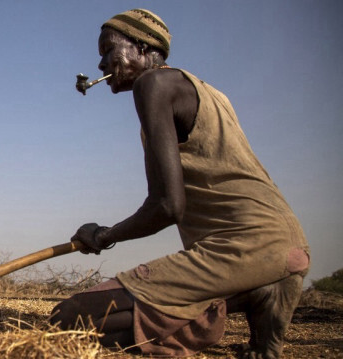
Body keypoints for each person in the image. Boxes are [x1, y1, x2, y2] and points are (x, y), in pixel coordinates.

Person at [50, 9, 310, 359]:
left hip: (240, 247)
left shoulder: (152, 84)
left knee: (68, 319)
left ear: (142, 49)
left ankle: (222, 305)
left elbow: (167, 206)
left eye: (108, 51)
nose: (100, 65)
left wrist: (104, 235)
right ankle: (258, 292)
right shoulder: (213, 94)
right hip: (286, 240)